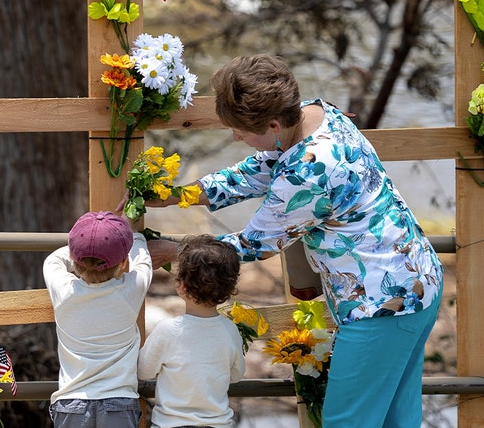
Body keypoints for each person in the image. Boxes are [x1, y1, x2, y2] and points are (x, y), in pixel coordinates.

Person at [147, 55, 444, 427]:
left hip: (381, 304)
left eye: (240, 129)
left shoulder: (310, 169)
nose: (236, 137)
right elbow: (252, 173)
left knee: (345, 422)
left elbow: (256, 243)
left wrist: (175, 251)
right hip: (418, 280)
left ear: (273, 123)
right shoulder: (315, 113)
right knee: (396, 421)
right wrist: (174, 195)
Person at [44, 210, 157, 428]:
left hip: (71, 402)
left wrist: (84, 248)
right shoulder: (132, 289)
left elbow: (53, 260)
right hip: (120, 402)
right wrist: (134, 234)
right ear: (123, 262)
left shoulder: (64, 289)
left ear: (73, 259)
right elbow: (143, 258)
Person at [138, 234, 246, 428]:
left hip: (171, 424)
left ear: (181, 286)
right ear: (229, 289)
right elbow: (237, 375)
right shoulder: (230, 330)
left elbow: (143, 371)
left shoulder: (167, 330)